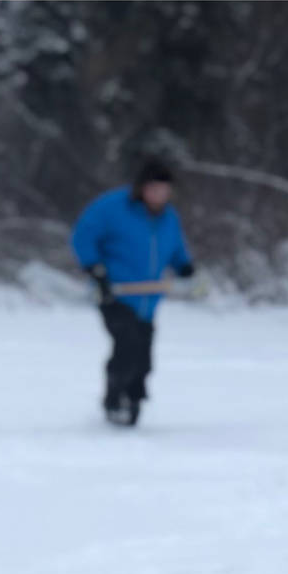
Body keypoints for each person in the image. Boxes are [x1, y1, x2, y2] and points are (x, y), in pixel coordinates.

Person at [70, 159, 195, 426]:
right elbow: (83, 235)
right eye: (153, 189)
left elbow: (175, 248)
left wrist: (184, 266)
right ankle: (114, 399)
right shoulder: (112, 208)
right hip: (115, 294)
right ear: (141, 188)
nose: (159, 196)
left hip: (148, 300)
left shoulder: (168, 217)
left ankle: (134, 398)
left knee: (144, 358)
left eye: (164, 190)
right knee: (126, 347)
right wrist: (95, 269)